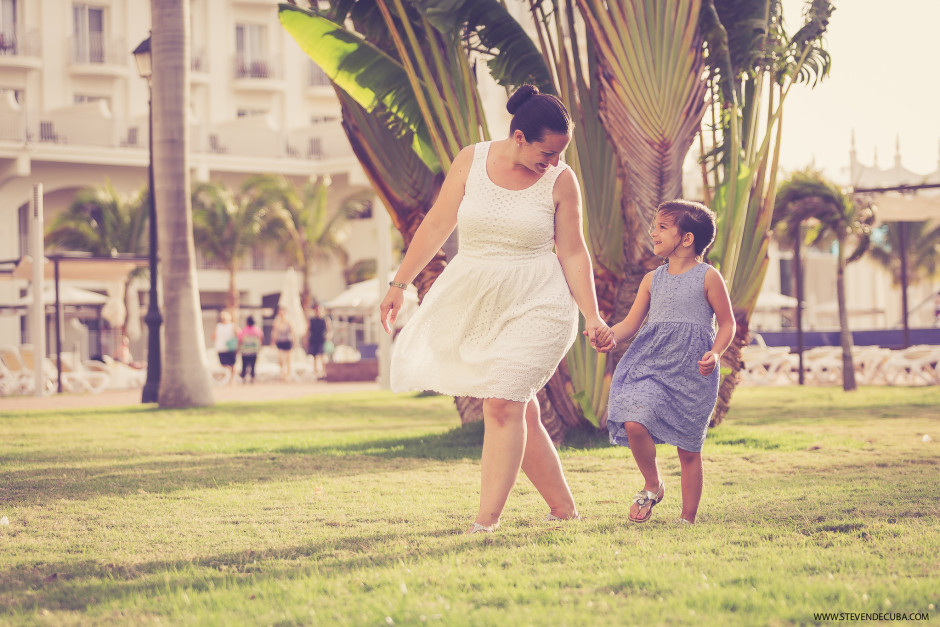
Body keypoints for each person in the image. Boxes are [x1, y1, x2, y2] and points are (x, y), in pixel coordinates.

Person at [379, 84, 609, 535]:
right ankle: (564, 511)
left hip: (541, 300)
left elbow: (574, 252)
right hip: (482, 298)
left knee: (502, 403)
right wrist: (400, 283)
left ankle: (485, 523)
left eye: (561, 153)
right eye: (547, 152)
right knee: (517, 408)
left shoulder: (561, 181)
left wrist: (593, 316)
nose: (555, 162)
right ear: (519, 136)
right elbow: (437, 224)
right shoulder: (471, 160)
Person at [594, 200, 735, 525]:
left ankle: (687, 518)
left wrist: (715, 352)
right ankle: (653, 483)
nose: (652, 232)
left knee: (688, 448)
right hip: (651, 363)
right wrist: (609, 336)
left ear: (686, 238)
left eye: (661, 227)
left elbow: (727, 323)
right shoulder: (651, 279)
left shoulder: (708, 276)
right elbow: (629, 324)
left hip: (692, 369)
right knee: (633, 422)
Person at [304, 303, 330, 379]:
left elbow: (329, 330)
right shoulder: (311, 320)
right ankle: (316, 373)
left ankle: (323, 373)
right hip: (313, 339)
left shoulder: (325, 319)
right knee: (315, 357)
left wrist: (328, 335)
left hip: (321, 340)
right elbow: (307, 330)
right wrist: (306, 339)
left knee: (322, 356)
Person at [212, 310, 239, 383]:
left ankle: (231, 379)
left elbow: (238, 334)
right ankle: (230, 375)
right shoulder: (218, 326)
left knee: (232, 364)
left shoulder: (232, 325)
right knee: (224, 364)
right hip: (222, 348)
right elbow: (213, 336)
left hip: (230, 348)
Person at [271, 306, 295, 381]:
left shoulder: (289, 322)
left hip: (287, 342)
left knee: (288, 359)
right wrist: (272, 342)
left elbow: (293, 332)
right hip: (280, 342)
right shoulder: (277, 323)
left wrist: (294, 342)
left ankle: (288, 374)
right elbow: (274, 333)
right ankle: (283, 373)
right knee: (280, 359)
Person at [238, 315, 263, 383]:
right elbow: (261, 339)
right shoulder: (257, 330)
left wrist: (238, 348)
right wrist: (260, 347)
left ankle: (243, 378)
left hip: (245, 351)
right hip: (254, 351)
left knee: (244, 365)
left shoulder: (244, 330)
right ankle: (252, 378)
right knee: (253, 365)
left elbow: (240, 340)